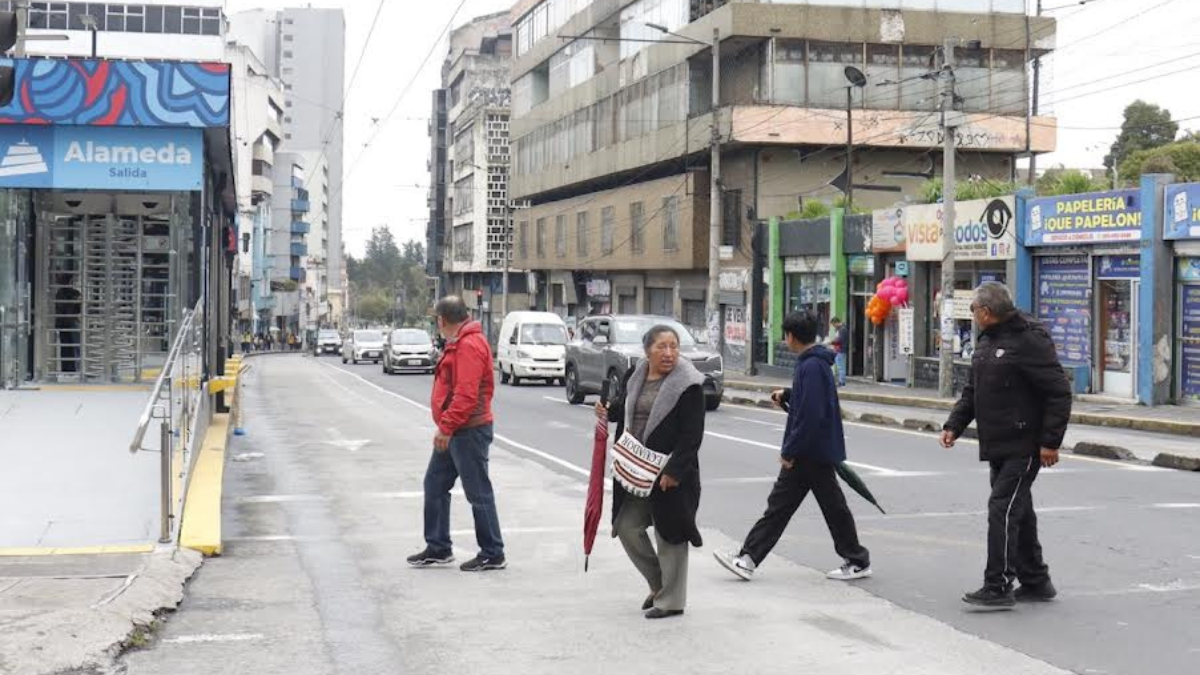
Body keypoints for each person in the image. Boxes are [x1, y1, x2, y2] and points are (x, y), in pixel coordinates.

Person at [714, 311, 871, 583]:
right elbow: (810, 401)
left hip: (808, 452)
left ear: (790, 336)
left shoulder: (810, 366)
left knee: (782, 507)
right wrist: (788, 395)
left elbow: (810, 414)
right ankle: (856, 559)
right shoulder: (816, 363)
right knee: (827, 507)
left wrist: (790, 451)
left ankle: (748, 559)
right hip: (817, 450)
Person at [941, 282, 1071, 609]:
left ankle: (998, 585)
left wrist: (1050, 442)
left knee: (1002, 509)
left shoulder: (1029, 338)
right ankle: (1036, 580)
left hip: (1024, 444)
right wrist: (954, 425)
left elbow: (1058, 392)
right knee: (1019, 510)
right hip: (997, 444)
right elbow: (974, 391)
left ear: (986, 311)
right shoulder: (987, 342)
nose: (972, 314)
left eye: (973, 309)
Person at [596, 325, 706, 620]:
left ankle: (672, 601)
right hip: (636, 468)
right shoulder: (637, 375)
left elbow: (692, 435)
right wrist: (607, 410)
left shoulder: (690, 384)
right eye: (662, 347)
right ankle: (659, 585)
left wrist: (675, 471)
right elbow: (625, 411)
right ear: (647, 351)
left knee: (670, 535)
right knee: (626, 526)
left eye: (674, 346)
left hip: (670, 473)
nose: (669, 353)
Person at [408, 295, 506, 572]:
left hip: (467, 430)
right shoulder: (460, 342)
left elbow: (466, 394)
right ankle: (438, 547)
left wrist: (446, 427)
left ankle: (493, 552)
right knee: (435, 484)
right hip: (456, 430)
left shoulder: (469, 346)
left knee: (478, 492)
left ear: (442, 320)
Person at [830, 317, 848, 387]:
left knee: (841, 367)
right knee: (840, 366)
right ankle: (841, 381)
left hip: (840, 350)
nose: (834, 326)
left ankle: (841, 382)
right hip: (839, 350)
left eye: (833, 325)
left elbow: (840, 340)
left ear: (836, 322)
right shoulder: (840, 329)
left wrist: (831, 342)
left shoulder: (842, 329)